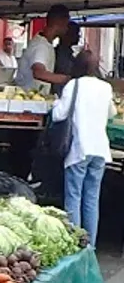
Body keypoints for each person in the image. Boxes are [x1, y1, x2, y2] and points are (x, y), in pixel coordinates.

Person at [51, 48, 113, 243]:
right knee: (92, 198)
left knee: (74, 197)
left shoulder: (73, 85)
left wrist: (55, 103)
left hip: (79, 149)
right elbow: (111, 113)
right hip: (100, 149)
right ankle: (90, 245)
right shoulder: (106, 87)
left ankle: (76, 244)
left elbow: (58, 115)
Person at [15, 5, 72, 94]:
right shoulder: (41, 46)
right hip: (29, 102)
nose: (67, 29)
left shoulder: (45, 44)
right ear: (59, 22)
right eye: (66, 24)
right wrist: (69, 80)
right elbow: (39, 73)